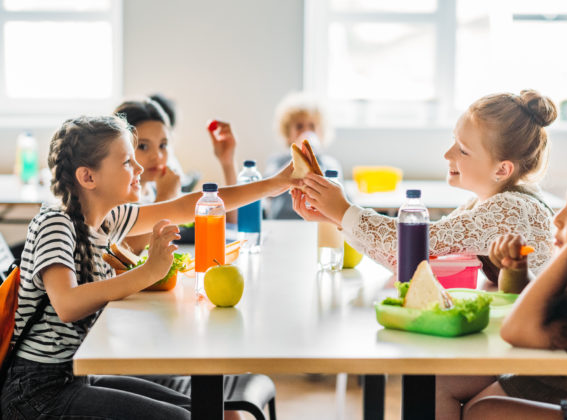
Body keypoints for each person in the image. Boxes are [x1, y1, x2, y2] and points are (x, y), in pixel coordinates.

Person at [0, 115, 295, 419]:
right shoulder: (55, 224)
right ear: (88, 177)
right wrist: (147, 272)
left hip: (72, 379)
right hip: (34, 394)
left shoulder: (108, 219)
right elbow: (67, 303)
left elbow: (189, 205)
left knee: (201, 411)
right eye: (127, 162)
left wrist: (274, 185)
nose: (139, 168)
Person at [438, 147, 567, 420]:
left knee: (484, 413)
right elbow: (543, 312)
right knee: (439, 383)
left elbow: (517, 329)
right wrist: (518, 274)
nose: (557, 219)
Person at [292, 90, 557, 281]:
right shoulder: (480, 204)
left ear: (502, 169)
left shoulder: (510, 210)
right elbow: (412, 259)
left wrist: (343, 211)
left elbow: (420, 242)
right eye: (454, 141)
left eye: (463, 150)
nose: (448, 155)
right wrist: (337, 218)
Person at [114, 98, 239, 253]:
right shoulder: (115, 199)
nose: (157, 156)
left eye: (163, 145)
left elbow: (229, 223)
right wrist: (165, 196)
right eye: (143, 146)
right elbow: (124, 254)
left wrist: (227, 163)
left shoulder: (154, 188)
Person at [265, 91, 342, 219]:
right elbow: (268, 189)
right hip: (282, 221)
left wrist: (314, 159)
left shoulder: (329, 163)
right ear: (288, 134)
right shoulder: (277, 161)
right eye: (299, 126)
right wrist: (298, 158)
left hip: (317, 224)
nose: (306, 131)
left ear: (321, 133)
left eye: (312, 126)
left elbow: (341, 199)